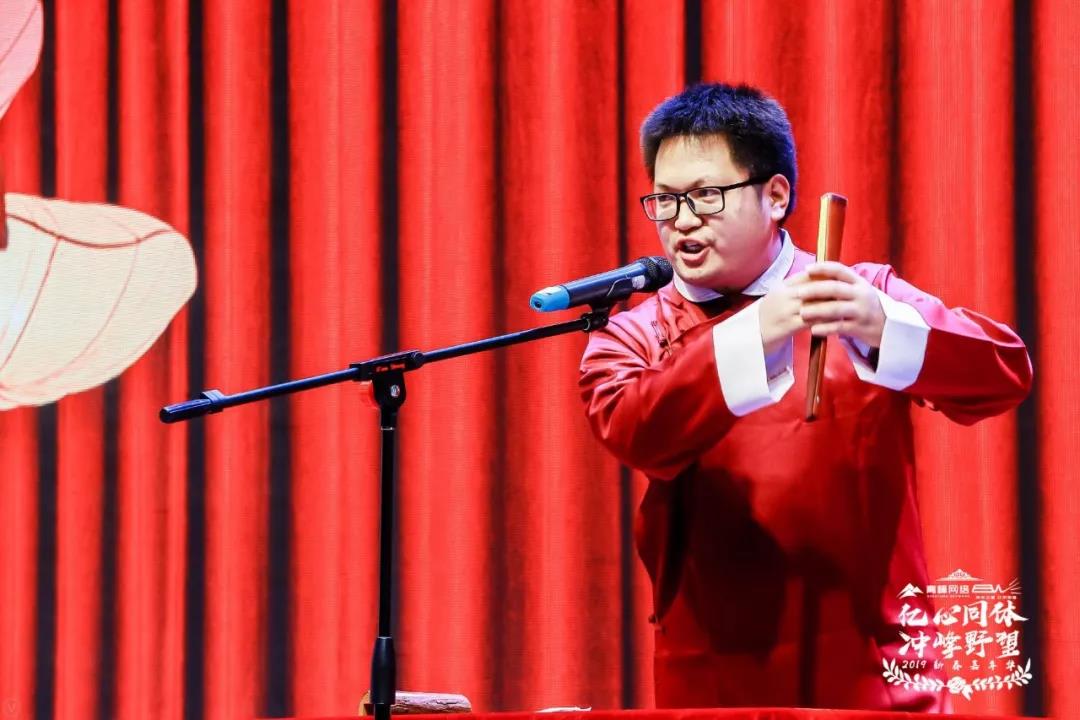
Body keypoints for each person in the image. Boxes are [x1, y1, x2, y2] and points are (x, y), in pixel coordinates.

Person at [578, 83, 1032, 711]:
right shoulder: (634, 332)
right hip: (707, 678)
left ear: (776, 195)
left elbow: (1004, 372)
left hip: (877, 674)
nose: (681, 220)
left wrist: (883, 325)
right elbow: (636, 431)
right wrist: (758, 329)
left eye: (706, 196)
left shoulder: (857, 292)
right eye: (665, 199)